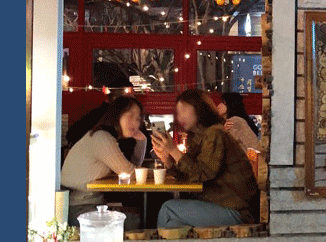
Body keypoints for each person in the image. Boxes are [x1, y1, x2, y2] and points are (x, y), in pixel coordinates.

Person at [151, 89, 259, 229]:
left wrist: (173, 150)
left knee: (168, 209)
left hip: (236, 209)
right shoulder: (198, 137)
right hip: (217, 203)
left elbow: (201, 174)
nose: (180, 116)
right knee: (173, 225)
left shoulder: (215, 133)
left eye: (184, 110)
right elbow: (188, 175)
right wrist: (167, 159)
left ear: (199, 108)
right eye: (178, 112)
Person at [60, 96, 147, 228]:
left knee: (136, 218)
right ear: (116, 115)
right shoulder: (101, 137)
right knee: (135, 221)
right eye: (130, 116)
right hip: (79, 209)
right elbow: (130, 173)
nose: (135, 123)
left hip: (89, 204)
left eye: (138, 119)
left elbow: (132, 170)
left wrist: (142, 141)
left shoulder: (105, 137)